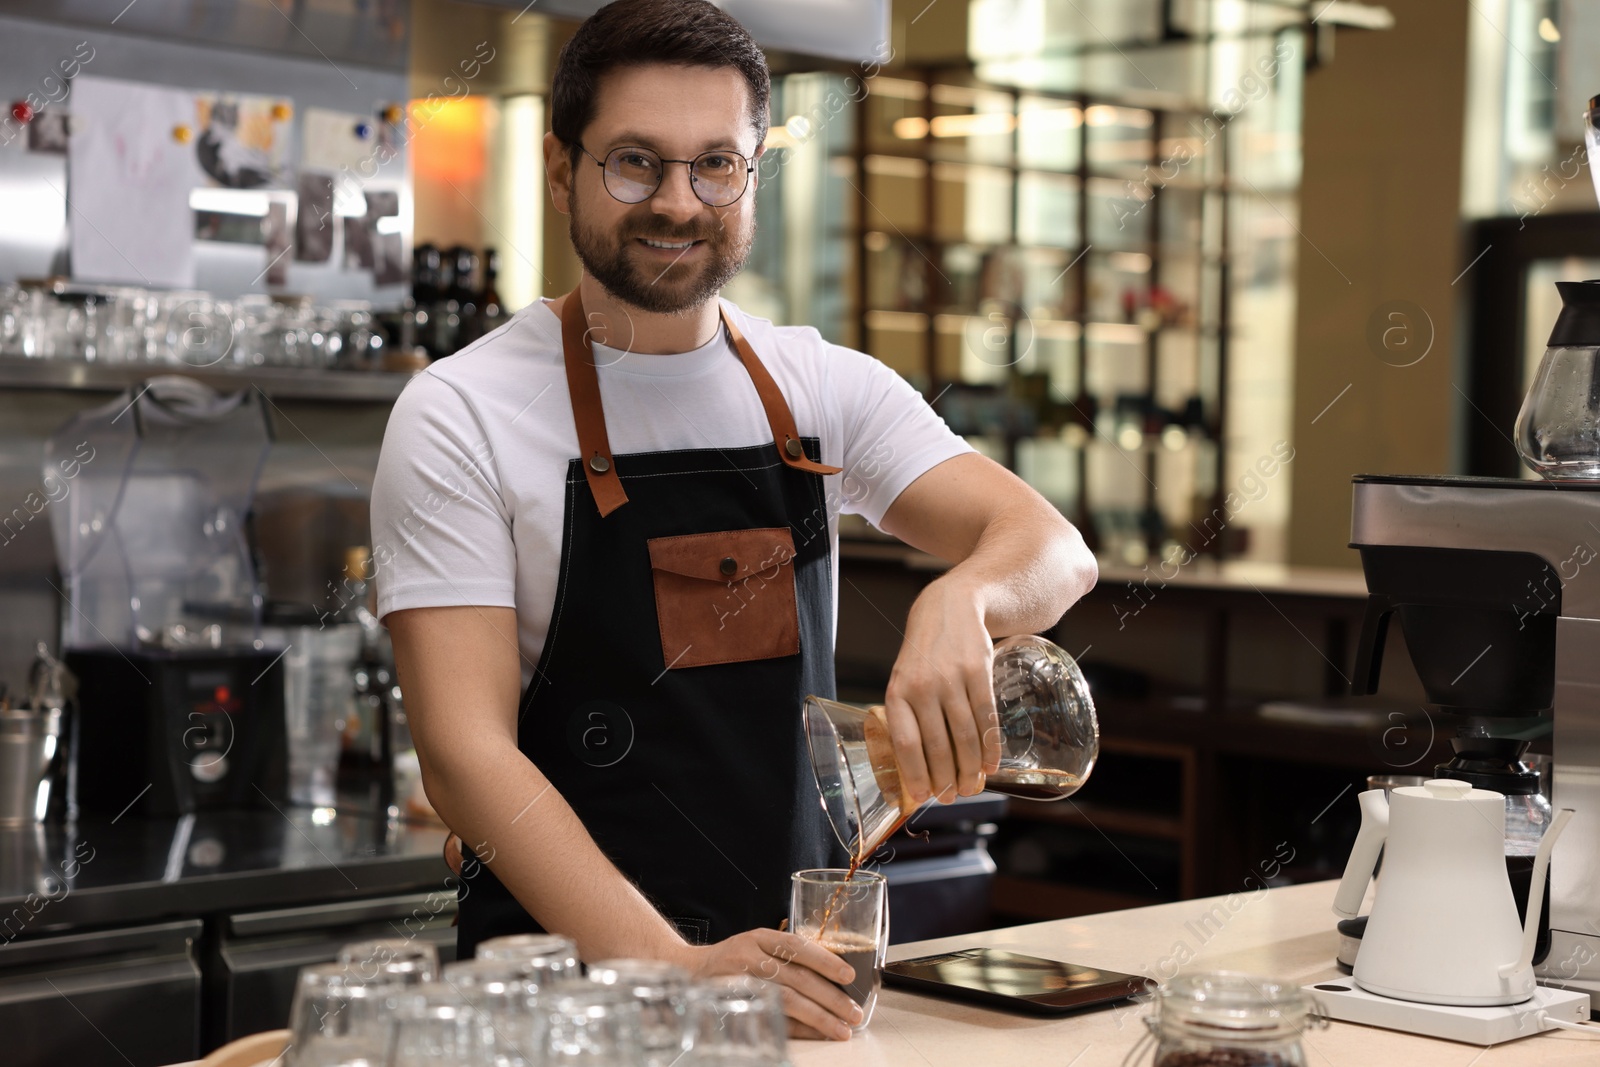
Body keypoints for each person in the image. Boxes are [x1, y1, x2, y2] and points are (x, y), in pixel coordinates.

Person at [371, 0, 1096, 1041]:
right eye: (635, 161)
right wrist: (673, 966)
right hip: (562, 1010)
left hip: (785, 993)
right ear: (559, 166)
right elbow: (464, 754)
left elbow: (1053, 547)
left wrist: (964, 596)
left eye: (715, 163)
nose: (678, 201)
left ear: (753, 172)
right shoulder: (461, 413)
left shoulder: (816, 385)